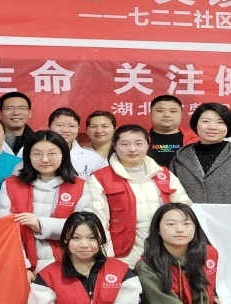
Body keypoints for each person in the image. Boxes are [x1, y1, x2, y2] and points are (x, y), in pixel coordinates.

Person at [87, 125, 191, 268]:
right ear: (114, 145)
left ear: (148, 145)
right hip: (124, 253)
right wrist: (106, 254)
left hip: (164, 249)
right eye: (125, 144)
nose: (132, 149)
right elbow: (99, 220)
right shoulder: (100, 178)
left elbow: (183, 207)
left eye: (139, 143)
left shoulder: (163, 174)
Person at [0, 131, 92, 273]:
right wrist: (23, 268)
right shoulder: (10, 185)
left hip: (69, 265)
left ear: (63, 155)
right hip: (24, 266)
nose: (45, 159)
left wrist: (40, 224)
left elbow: (84, 228)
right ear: (28, 156)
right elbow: (4, 232)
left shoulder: (78, 186)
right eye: (37, 154)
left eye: (52, 153)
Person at [170, 102, 231, 205]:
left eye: (220, 122)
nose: (212, 127)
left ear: (228, 126)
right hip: (188, 215)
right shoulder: (180, 158)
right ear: (196, 124)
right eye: (205, 121)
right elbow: (170, 193)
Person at [48, 107, 107, 178]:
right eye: (59, 125)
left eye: (72, 126)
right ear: (49, 127)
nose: (65, 130)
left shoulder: (93, 159)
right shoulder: (38, 155)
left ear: (78, 128)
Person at [148, 95, 184, 168]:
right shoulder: (139, 138)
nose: (166, 115)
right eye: (160, 111)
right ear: (151, 113)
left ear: (181, 115)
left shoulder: (194, 140)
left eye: (172, 111)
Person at [0, 92, 37, 157]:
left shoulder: (39, 140)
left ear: (30, 113)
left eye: (22, 108)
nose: (16, 113)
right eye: (10, 108)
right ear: (0, 113)